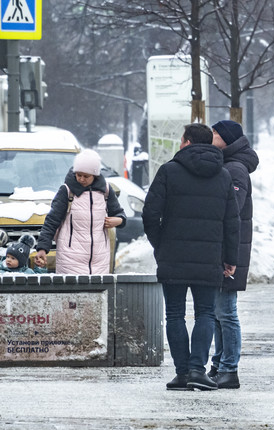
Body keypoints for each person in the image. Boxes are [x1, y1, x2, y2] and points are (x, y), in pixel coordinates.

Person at [142, 123, 240, 391]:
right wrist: (230, 257)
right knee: (206, 313)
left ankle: (182, 373)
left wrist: (160, 244)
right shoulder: (222, 175)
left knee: (175, 315)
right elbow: (232, 221)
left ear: (185, 142)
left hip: (172, 255)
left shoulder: (169, 171)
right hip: (210, 257)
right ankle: (198, 370)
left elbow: (150, 214)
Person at [207, 119, 259, 389]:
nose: (211, 135)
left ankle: (229, 369)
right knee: (218, 312)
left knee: (226, 311)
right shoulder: (227, 164)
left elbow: (232, 211)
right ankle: (219, 364)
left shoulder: (235, 169)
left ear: (226, 139)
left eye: (215, 133)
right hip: (224, 246)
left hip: (230, 248)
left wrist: (228, 254)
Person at [34, 149, 126, 274]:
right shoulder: (66, 191)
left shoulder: (106, 191)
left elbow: (119, 214)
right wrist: (42, 249)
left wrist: (118, 220)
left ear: (95, 175)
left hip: (100, 260)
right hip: (70, 260)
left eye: (86, 176)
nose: (81, 179)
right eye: (78, 175)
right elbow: (51, 221)